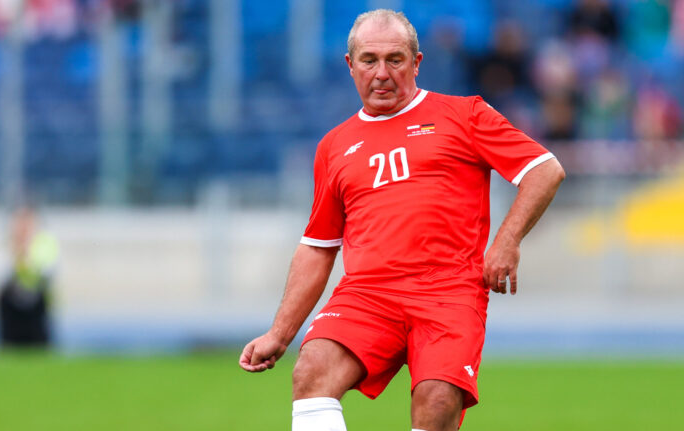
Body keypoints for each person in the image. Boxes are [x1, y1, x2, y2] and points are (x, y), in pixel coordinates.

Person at [240, 9, 565, 431]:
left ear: (416, 62)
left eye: (394, 59)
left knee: (437, 400)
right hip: (367, 294)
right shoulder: (334, 146)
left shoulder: (464, 114)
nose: (381, 73)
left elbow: (544, 170)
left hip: (448, 292)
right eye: (369, 60)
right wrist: (279, 334)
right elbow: (318, 247)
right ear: (350, 65)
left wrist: (507, 240)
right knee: (312, 370)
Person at [0, 206, 59, 348]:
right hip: (12, 310)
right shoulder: (6, 247)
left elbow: (49, 272)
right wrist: (16, 255)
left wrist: (28, 258)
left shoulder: (43, 246)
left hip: (35, 309)